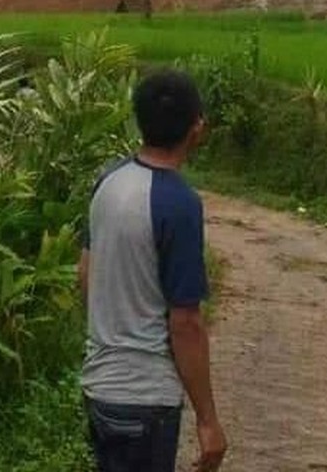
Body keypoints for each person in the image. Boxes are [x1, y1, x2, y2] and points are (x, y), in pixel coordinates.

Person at [79, 68, 227, 472]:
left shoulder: (107, 181)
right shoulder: (179, 204)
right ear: (196, 128)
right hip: (145, 400)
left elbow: (85, 275)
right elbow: (186, 323)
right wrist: (208, 420)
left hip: (98, 388)